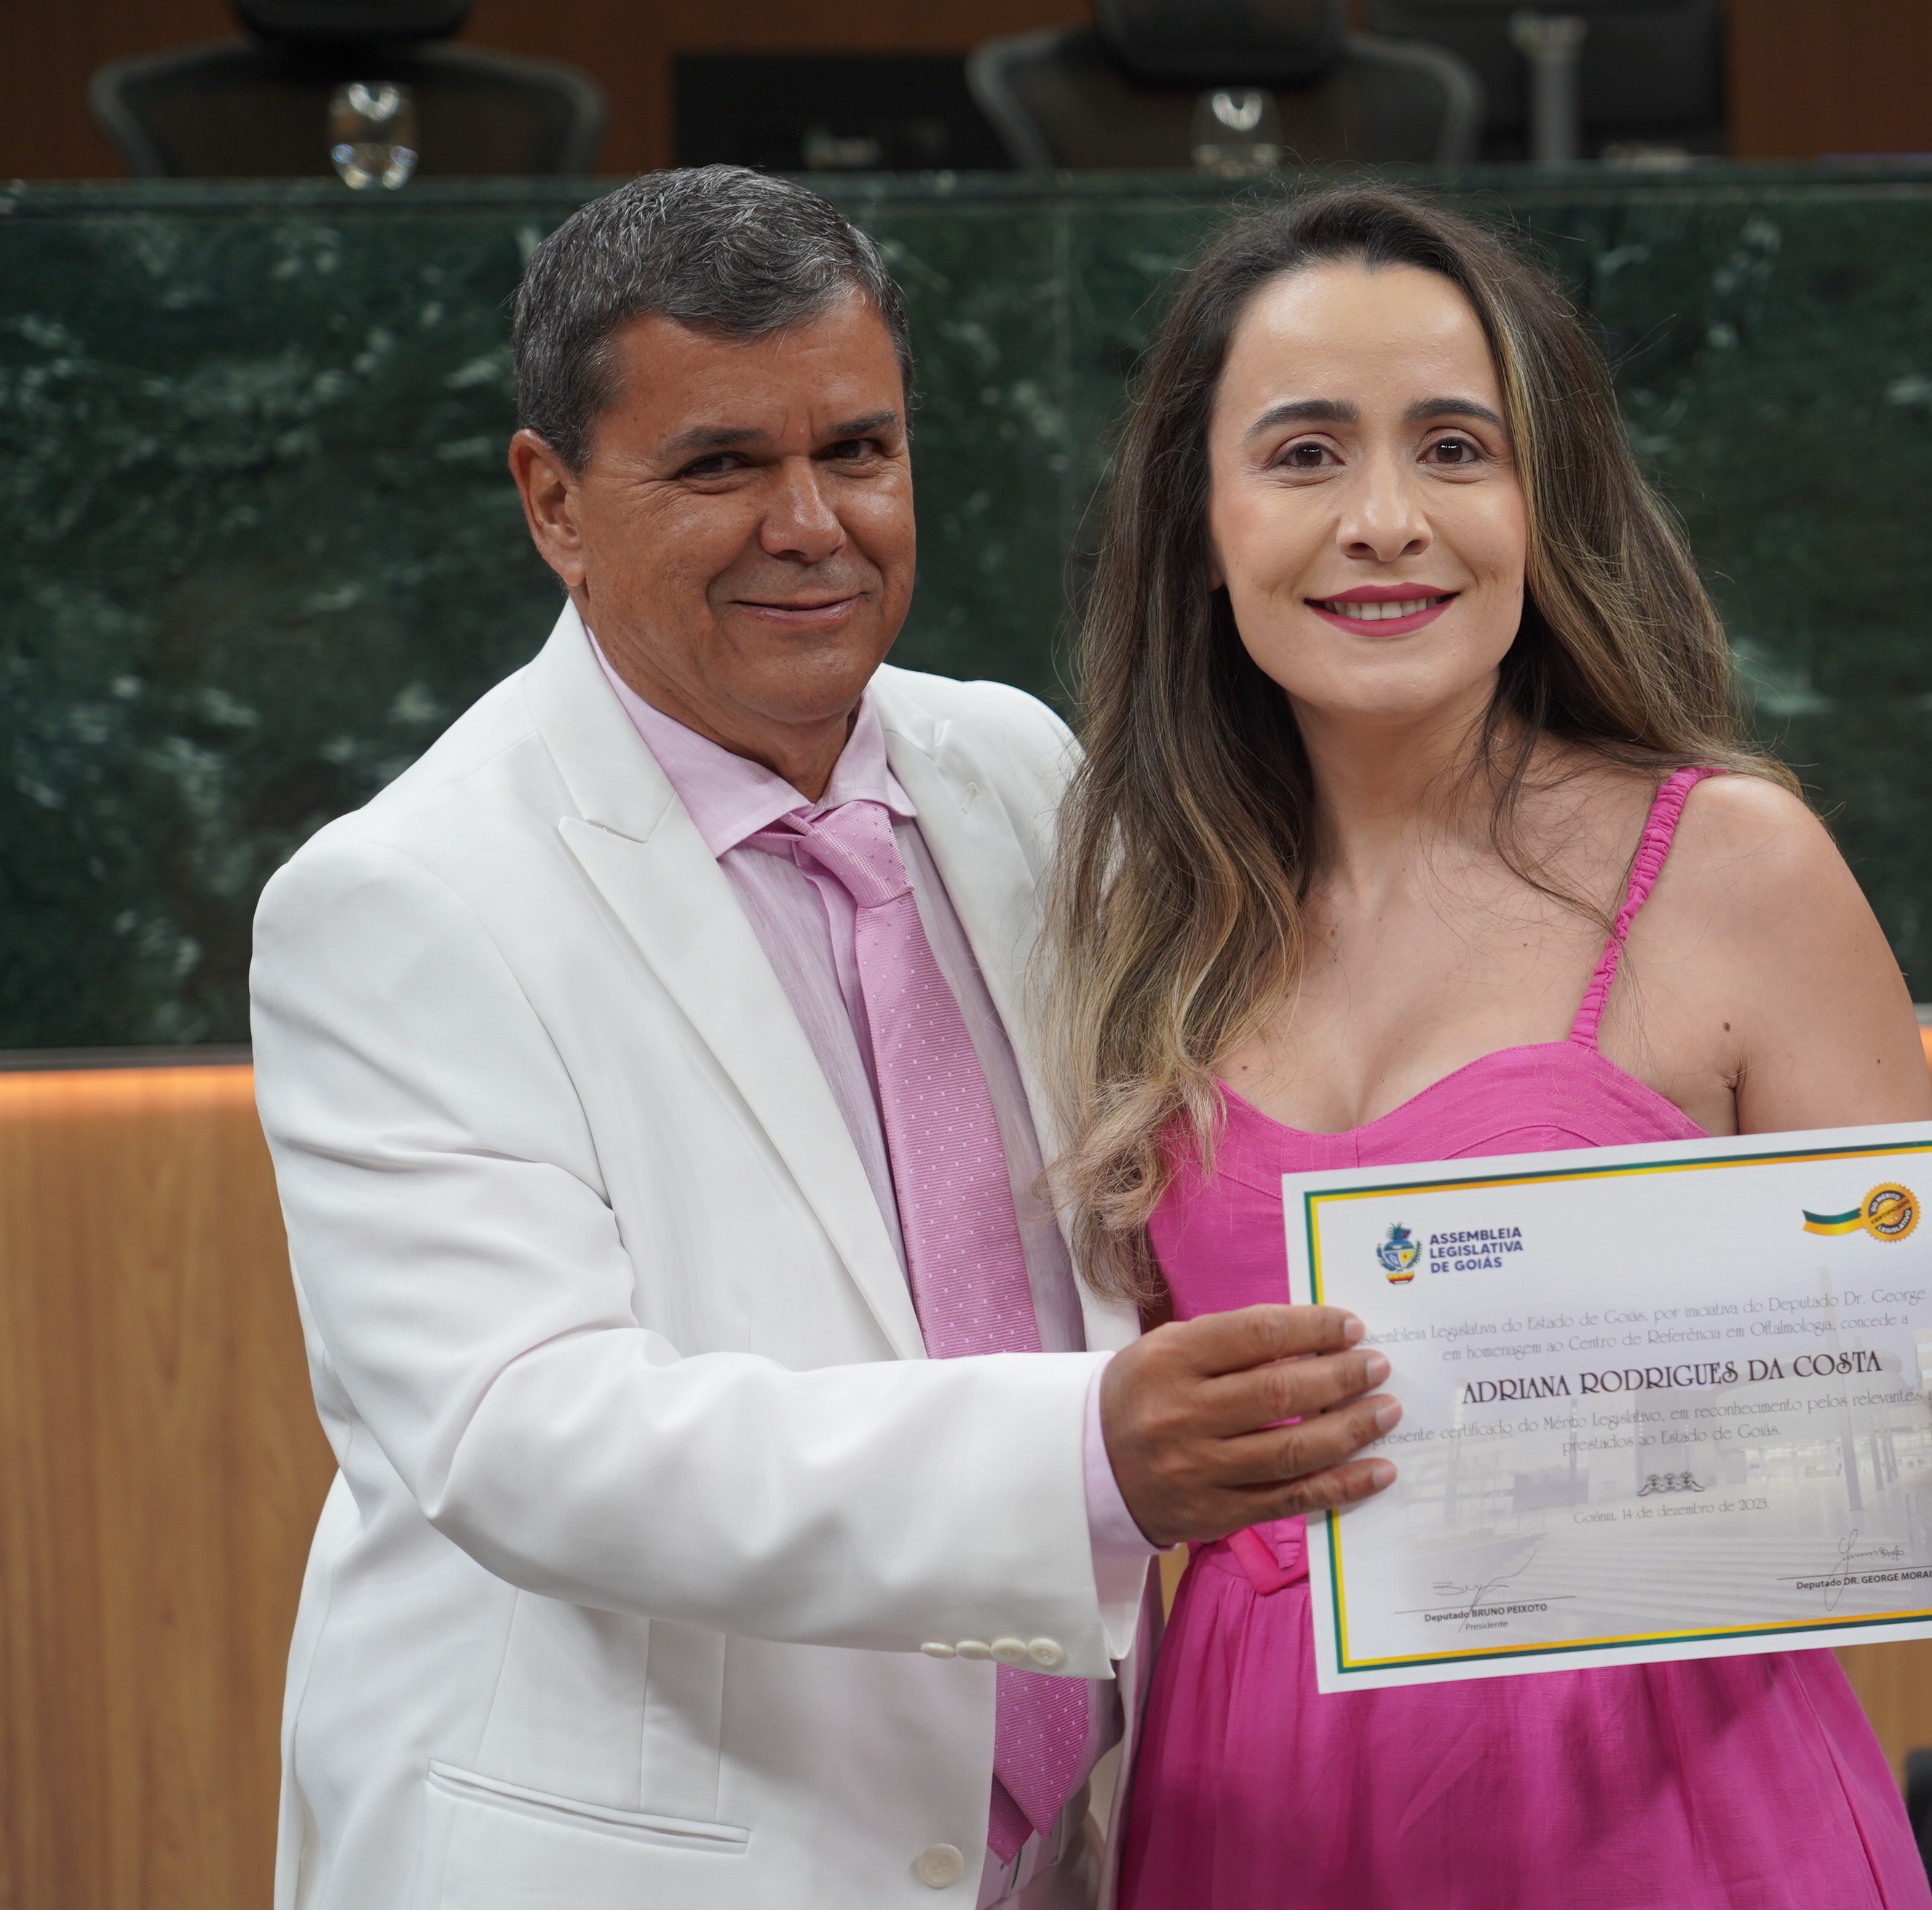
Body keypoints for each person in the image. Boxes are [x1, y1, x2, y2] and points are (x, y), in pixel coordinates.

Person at [250, 167, 1402, 1910]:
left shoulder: (1021, 771)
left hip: (1075, 1850)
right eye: (720, 465)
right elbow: (530, 1437)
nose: (811, 523)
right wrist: (1087, 1457)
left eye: (858, 449)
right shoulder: (401, 897)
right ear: (553, 500)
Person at [1043, 186, 1932, 1910]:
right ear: (1200, 518)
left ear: (1543, 502)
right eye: (1305, 454)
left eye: (1455, 448)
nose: (1384, 520)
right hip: (1247, 1804)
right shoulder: (1127, 913)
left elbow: (1921, 1412)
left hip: (1671, 1816)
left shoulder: (1737, 865)